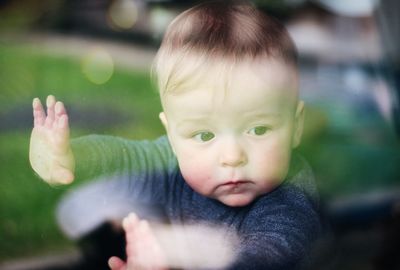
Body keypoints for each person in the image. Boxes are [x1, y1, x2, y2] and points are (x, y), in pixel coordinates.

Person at [29, 1, 321, 269]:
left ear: (295, 127)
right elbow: (126, 158)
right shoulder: (176, 162)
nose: (232, 156)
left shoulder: (289, 204)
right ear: (172, 134)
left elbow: (264, 257)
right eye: (205, 135)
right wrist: (70, 157)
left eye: (258, 129)